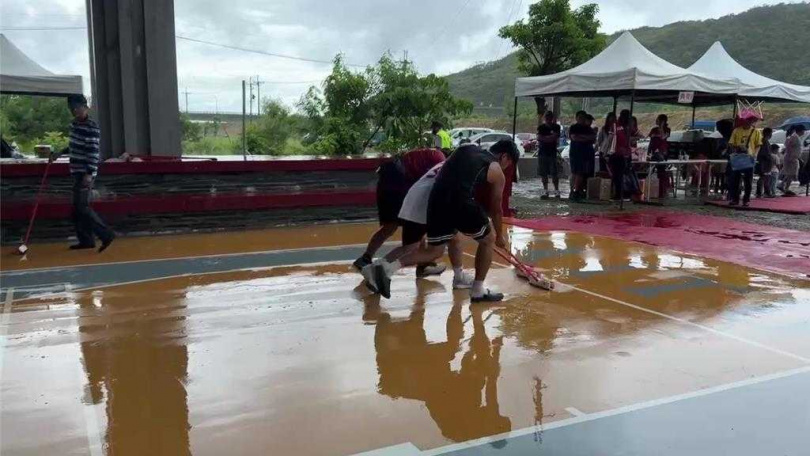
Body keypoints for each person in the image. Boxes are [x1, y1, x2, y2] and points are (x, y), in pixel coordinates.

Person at [366, 140, 520, 302]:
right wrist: (500, 236)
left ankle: (386, 268)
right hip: (459, 200)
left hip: (435, 200)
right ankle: (478, 290)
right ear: (504, 156)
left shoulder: (465, 148)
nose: (506, 168)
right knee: (488, 239)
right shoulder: (496, 169)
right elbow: (496, 208)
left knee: (434, 251)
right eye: (509, 164)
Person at [363, 161, 474, 293]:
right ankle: (384, 270)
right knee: (435, 251)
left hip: (412, 197)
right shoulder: (472, 166)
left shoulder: (449, 162)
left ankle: (376, 267)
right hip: (430, 202)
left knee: (412, 246)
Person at [353, 147, 446, 275]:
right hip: (398, 183)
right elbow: (435, 185)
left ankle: (366, 258)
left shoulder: (426, 154)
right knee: (413, 234)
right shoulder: (441, 160)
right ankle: (376, 269)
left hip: (388, 180)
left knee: (392, 227)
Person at [49, 94, 115, 252]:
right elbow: (73, 145)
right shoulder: (73, 125)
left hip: (86, 172)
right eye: (72, 109)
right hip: (76, 170)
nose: (75, 111)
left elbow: (93, 151)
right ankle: (86, 240)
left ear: (85, 107)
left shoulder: (92, 127)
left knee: (82, 207)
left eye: (77, 108)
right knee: (76, 208)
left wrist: (89, 173)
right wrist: (59, 153)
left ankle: (106, 234)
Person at [727, 113, 762, 206]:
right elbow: (731, 143)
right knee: (735, 179)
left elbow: (758, 145)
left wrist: (755, 155)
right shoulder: (736, 131)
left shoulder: (756, 132)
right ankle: (735, 199)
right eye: (747, 120)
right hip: (738, 157)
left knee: (748, 180)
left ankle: (746, 199)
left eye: (750, 120)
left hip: (749, 158)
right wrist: (737, 148)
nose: (748, 122)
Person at [567, 111, 596, 201]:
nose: (581, 119)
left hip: (585, 154)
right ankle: (573, 190)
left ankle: (577, 190)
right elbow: (574, 137)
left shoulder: (588, 129)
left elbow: (593, 138)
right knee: (574, 173)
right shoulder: (573, 127)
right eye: (579, 117)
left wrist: (581, 138)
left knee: (581, 173)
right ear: (576, 118)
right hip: (575, 153)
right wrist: (585, 138)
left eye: (583, 117)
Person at [536, 111, 561, 199]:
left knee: (554, 173)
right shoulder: (541, 127)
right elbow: (539, 138)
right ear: (545, 118)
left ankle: (557, 191)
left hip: (552, 153)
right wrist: (549, 138)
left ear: (553, 118)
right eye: (547, 118)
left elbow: (554, 137)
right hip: (542, 153)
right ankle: (545, 191)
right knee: (543, 173)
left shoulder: (556, 127)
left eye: (550, 118)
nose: (548, 119)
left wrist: (546, 138)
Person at [610, 109, 633, 201]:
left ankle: (621, 193)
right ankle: (619, 193)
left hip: (622, 153)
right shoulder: (619, 126)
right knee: (618, 175)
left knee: (619, 175)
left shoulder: (625, 127)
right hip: (619, 153)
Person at [648, 114, 671, 198]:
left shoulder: (667, 129)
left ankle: (662, 188)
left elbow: (663, 137)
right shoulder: (654, 129)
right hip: (654, 151)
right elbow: (650, 138)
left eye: (657, 119)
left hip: (663, 152)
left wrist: (661, 127)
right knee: (656, 169)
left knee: (662, 170)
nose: (656, 121)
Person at [779, 125, 805, 196]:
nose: (804, 132)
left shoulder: (796, 137)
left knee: (791, 173)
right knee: (791, 173)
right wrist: (791, 156)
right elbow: (789, 146)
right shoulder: (794, 137)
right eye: (803, 130)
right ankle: (785, 187)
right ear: (801, 130)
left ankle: (782, 185)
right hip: (791, 158)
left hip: (793, 157)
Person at [756, 128, 774, 198]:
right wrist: (769, 158)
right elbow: (765, 153)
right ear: (768, 133)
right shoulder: (765, 141)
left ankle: (761, 192)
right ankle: (764, 192)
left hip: (763, 162)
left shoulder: (763, 141)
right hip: (764, 163)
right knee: (764, 177)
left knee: (764, 177)